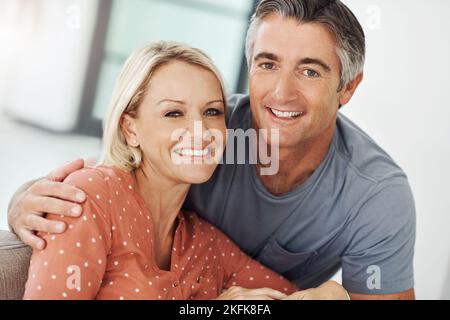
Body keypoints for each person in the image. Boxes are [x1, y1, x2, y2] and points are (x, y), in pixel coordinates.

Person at [9, 0, 416, 300]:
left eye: (309, 70)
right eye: (268, 64)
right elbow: (104, 179)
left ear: (348, 86)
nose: (281, 92)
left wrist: (329, 294)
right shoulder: (102, 197)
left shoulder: (375, 195)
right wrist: (22, 200)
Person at [22, 41, 346, 300]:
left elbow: (293, 297)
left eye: (212, 112)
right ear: (130, 128)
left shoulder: (205, 244)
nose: (200, 131)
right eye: (174, 113)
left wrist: (331, 292)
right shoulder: (88, 197)